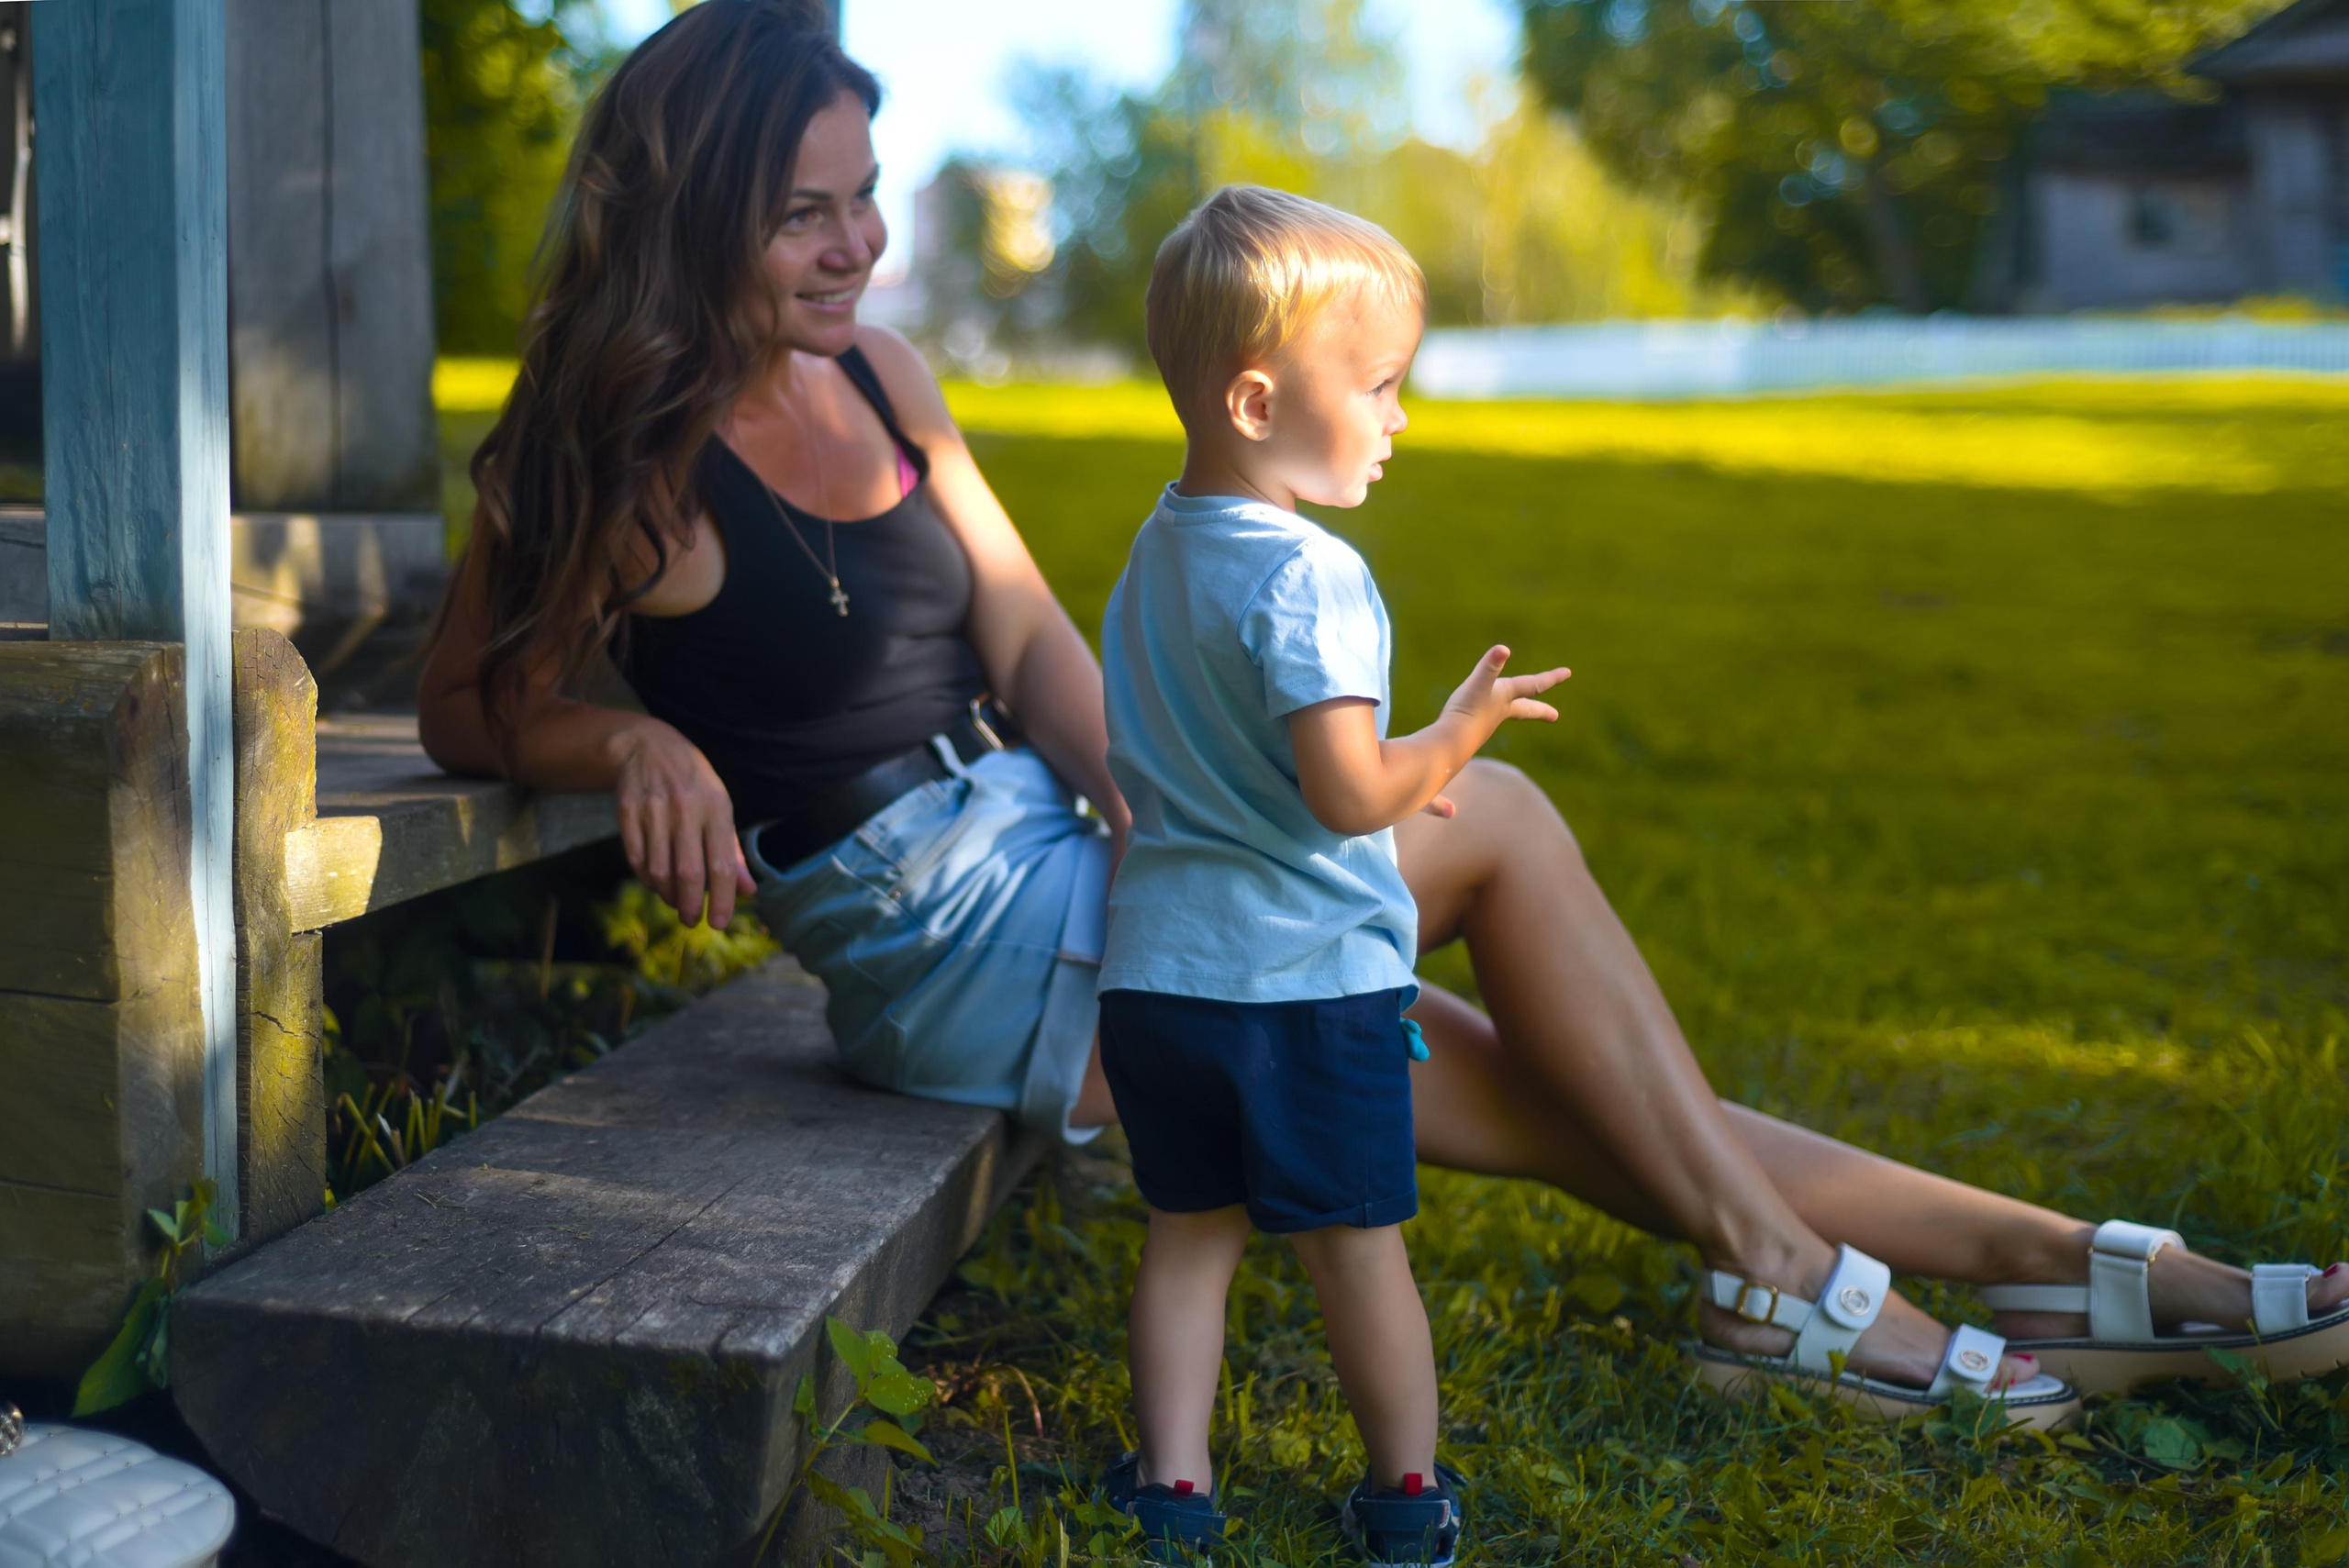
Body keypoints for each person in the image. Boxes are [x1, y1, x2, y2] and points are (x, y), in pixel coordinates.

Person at [417, 0, 2349, 1448]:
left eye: (860, 204)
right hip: (958, 970)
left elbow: (1022, 641)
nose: (857, 252)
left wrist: (1176, 822)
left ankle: (2042, 1272)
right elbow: (463, 703)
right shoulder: (616, 456)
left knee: (1537, 1066)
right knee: (1497, 860)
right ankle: (1935, 1279)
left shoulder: (895, 378)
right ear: (683, 217)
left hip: (1078, 859)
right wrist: (624, 742)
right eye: (803, 219)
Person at [1091, 187, 1568, 1564]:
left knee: (1189, 1235)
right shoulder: (1312, 575)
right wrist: (1453, 734)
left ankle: (1172, 1489)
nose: (1398, 417)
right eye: (1378, 386)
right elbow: (1349, 790)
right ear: (1255, 402)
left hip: (1160, 981)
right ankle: (1405, 1492)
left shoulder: (1155, 551)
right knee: (1358, 1247)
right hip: (1302, 984)